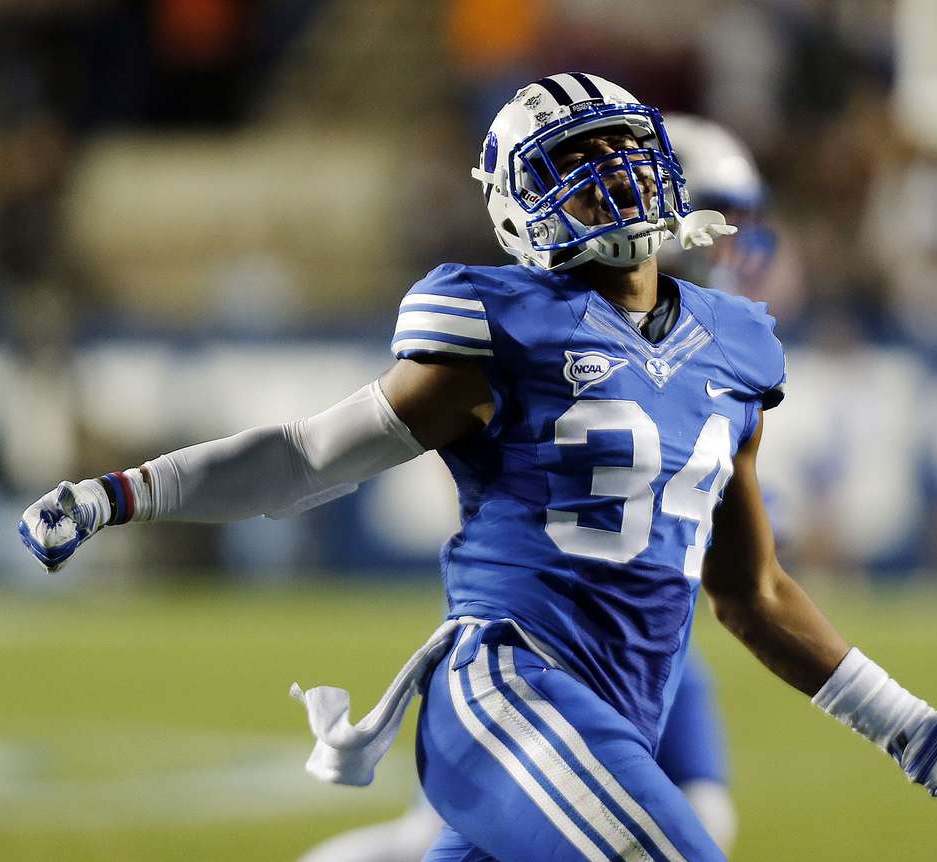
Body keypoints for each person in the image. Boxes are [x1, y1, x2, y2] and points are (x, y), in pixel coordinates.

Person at [20, 73, 937, 860]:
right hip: (507, 692)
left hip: (620, 715)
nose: (608, 175)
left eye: (619, 148)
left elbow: (752, 591)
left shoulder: (739, 343)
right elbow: (304, 457)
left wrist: (904, 725)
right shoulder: (496, 320)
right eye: (574, 162)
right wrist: (125, 493)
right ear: (518, 203)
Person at [298, 113, 757, 862]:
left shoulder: (698, 340)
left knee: (693, 821)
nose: (724, 238)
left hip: (641, 640)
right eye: (718, 212)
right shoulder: (539, 327)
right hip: (546, 649)